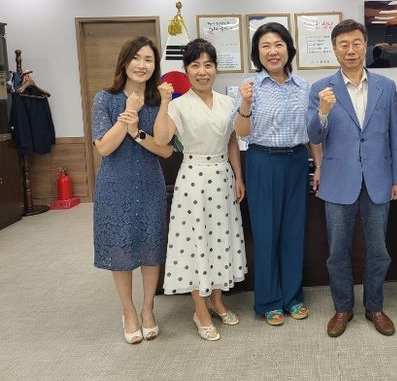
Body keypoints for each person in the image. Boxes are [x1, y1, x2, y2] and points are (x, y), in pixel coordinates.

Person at [307, 19, 397, 338]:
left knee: (378, 250)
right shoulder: (321, 88)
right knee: (337, 252)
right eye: (343, 44)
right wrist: (323, 111)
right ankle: (343, 308)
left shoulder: (385, 86)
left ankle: (375, 306)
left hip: (379, 179)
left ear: (366, 46)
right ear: (334, 49)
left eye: (356, 43)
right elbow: (314, 135)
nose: (350, 50)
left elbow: (395, 135)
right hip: (338, 181)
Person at [154, 38, 247, 341]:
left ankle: (217, 301)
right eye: (195, 65)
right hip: (193, 178)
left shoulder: (228, 102)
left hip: (222, 177)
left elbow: (232, 141)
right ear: (186, 70)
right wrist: (164, 102)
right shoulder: (178, 104)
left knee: (220, 241)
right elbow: (161, 139)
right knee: (196, 244)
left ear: (216, 68)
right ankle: (200, 310)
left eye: (208, 65)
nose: (202, 71)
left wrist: (238, 176)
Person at [234, 22, 320, 326]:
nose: (273, 51)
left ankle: (293, 297)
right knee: (266, 233)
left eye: (278, 44)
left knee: (294, 232)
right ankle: (269, 300)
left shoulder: (304, 87)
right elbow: (242, 132)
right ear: (257, 53)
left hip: (296, 161)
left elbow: (312, 131)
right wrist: (245, 102)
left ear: (288, 49)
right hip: (263, 162)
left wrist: (318, 165)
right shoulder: (250, 86)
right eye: (265, 46)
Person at [92, 36, 173, 344]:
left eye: (148, 59)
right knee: (121, 249)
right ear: (124, 62)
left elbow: (165, 149)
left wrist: (138, 130)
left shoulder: (158, 100)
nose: (142, 65)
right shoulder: (105, 98)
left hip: (150, 184)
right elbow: (104, 147)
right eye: (136, 58)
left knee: (151, 249)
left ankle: (148, 308)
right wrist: (127, 113)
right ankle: (128, 311)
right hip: (115, 186)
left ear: (155, 66)